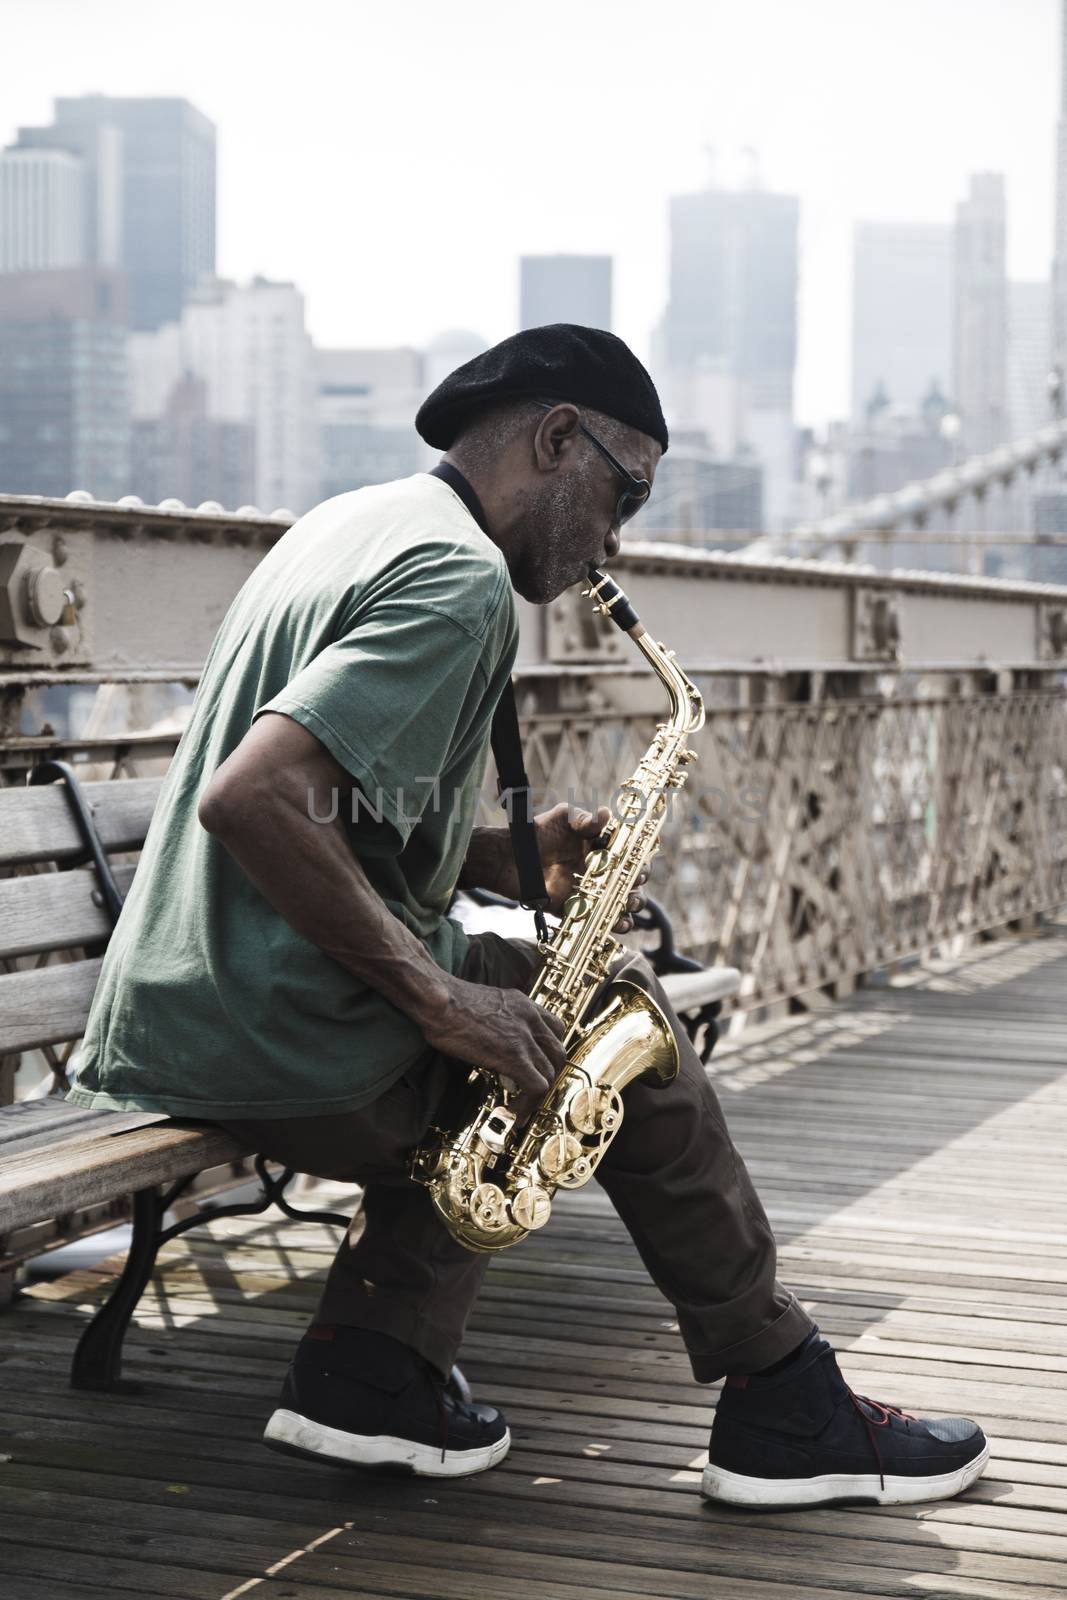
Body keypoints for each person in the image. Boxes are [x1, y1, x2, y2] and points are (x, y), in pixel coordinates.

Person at [69, 325, 988, 1508]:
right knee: (600, 1019)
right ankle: (782, 1396)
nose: (619, 536)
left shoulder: (345, 524)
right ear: (558, 438)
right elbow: (253, 797)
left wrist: (507, 851)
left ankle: (371, 1374)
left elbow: (339, 804)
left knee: (534, 1011)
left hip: (178, 1007)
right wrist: (442, 1000)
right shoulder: (457, 583)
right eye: (625, 492)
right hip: (279, 1027)